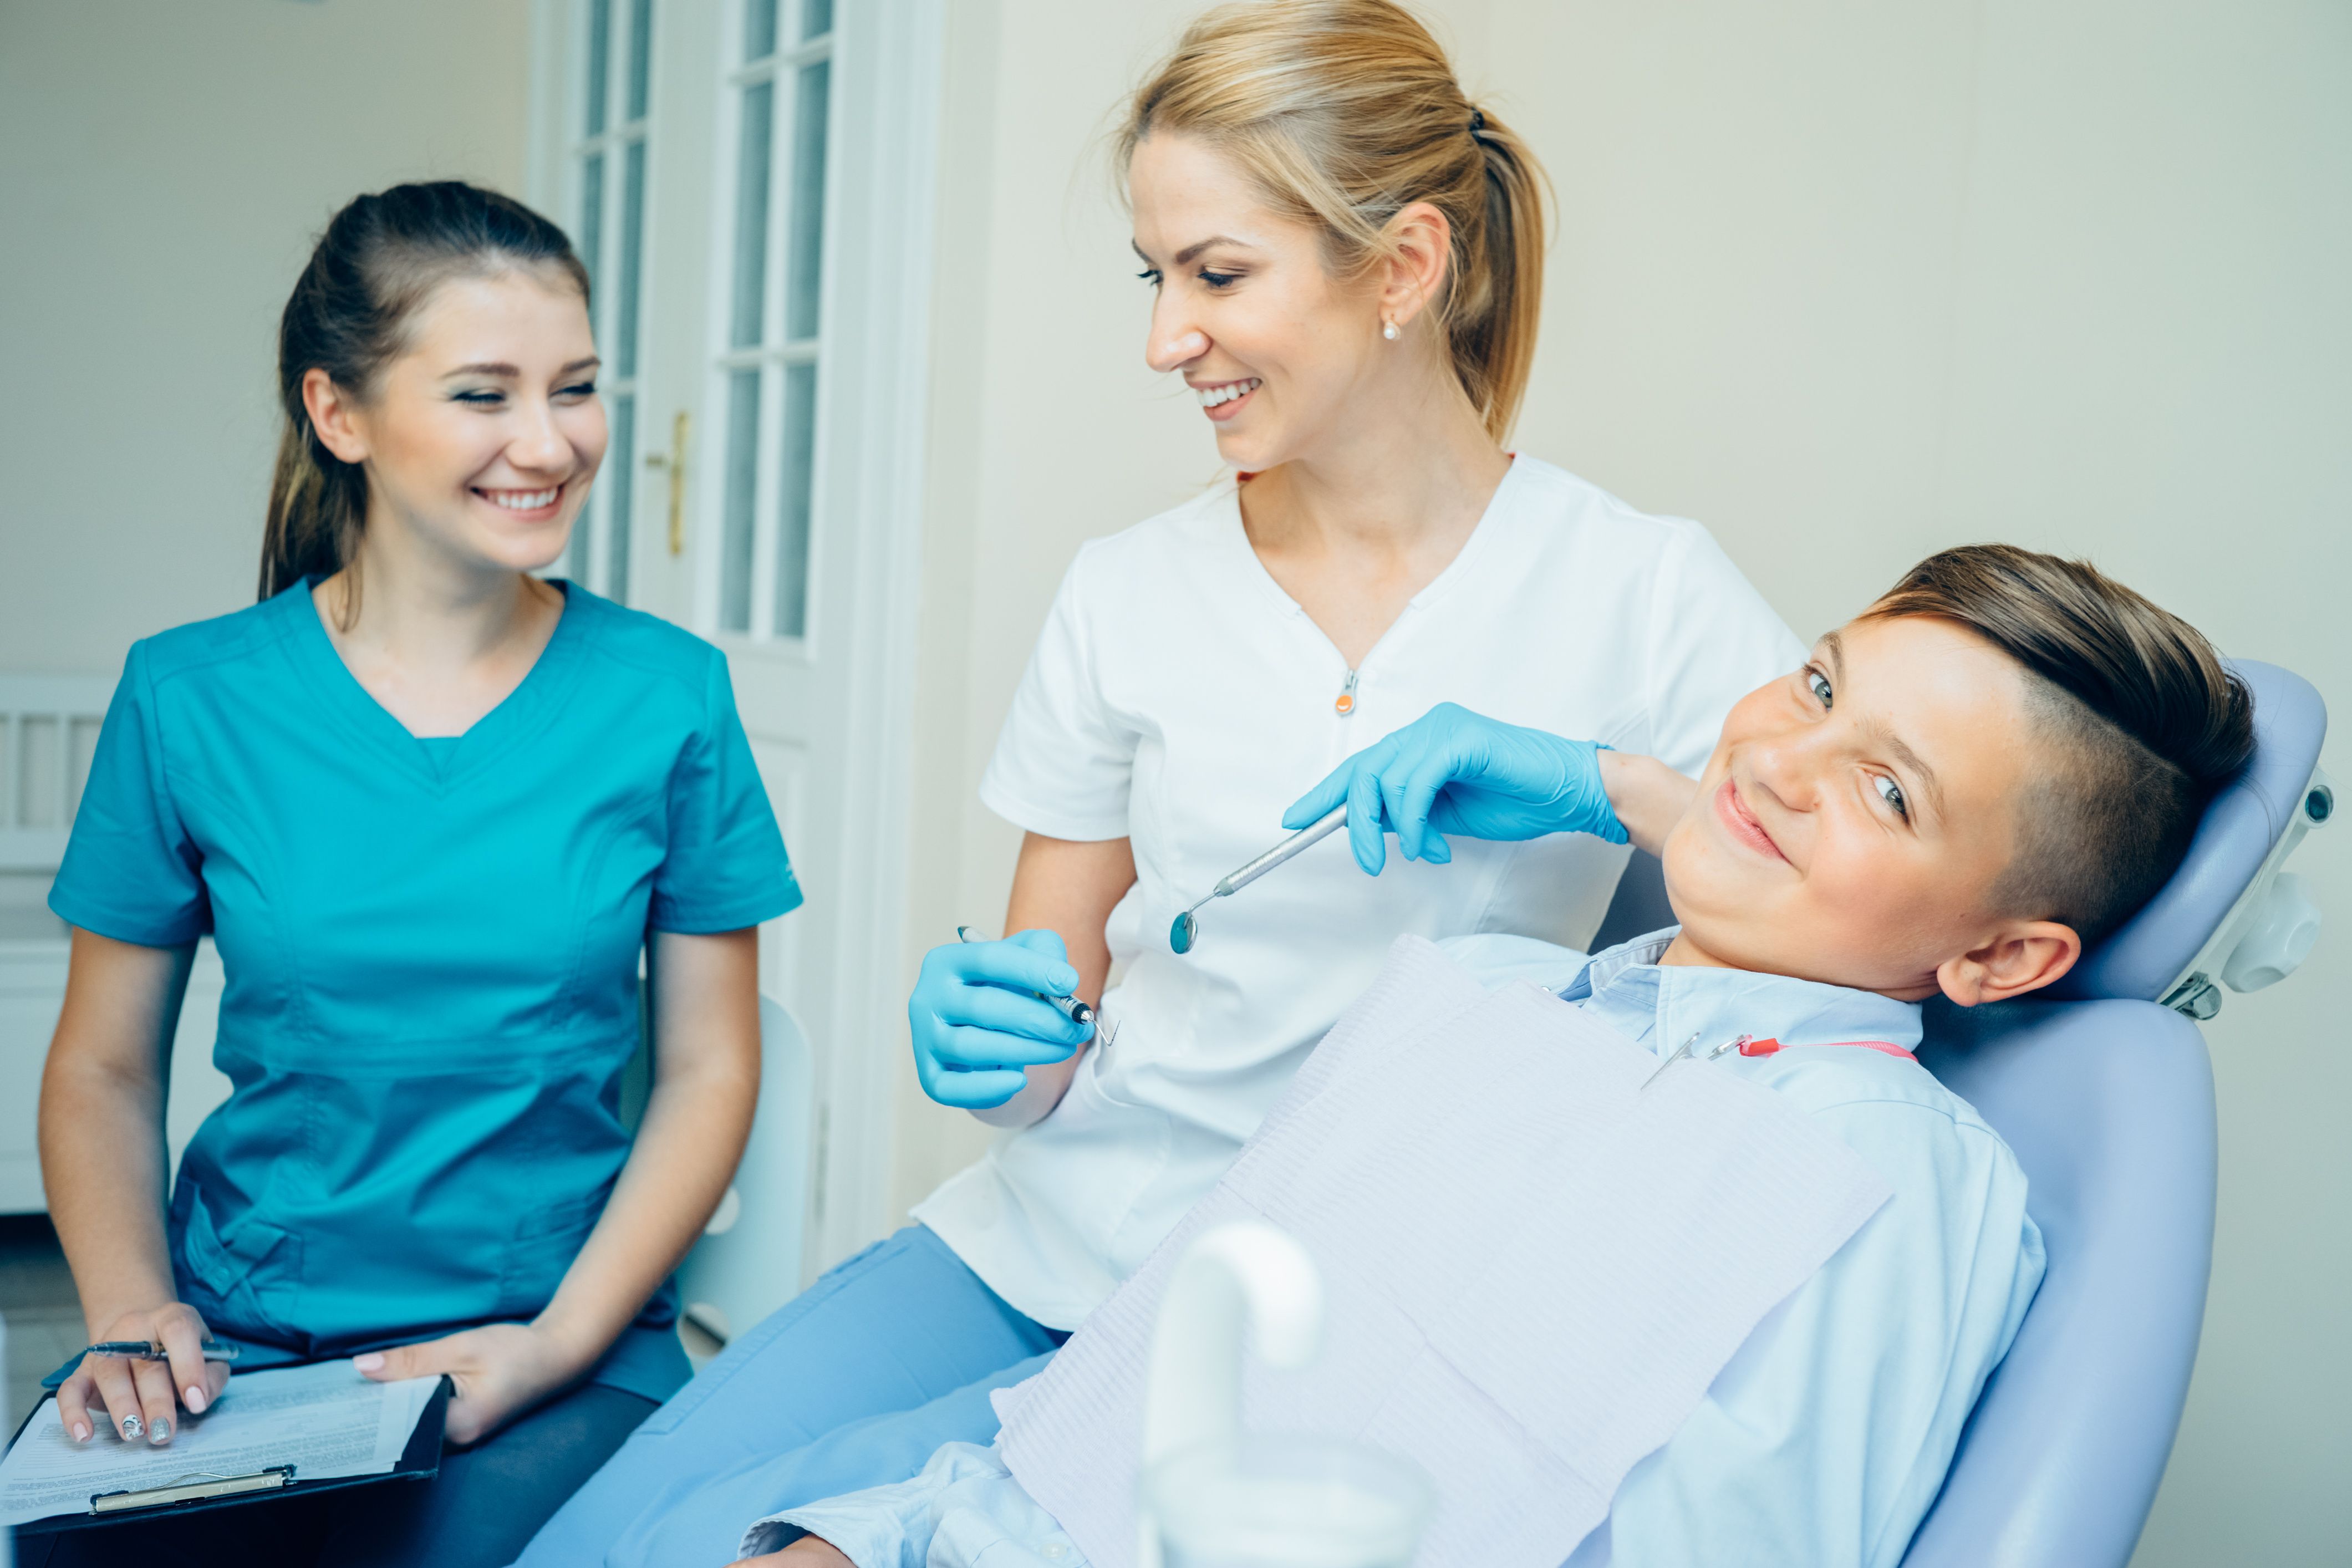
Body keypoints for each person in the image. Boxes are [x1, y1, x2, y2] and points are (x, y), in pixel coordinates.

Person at [516, 4, 1805, 1560]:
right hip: (1044, 1236)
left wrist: (1604, 784)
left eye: (1216, 275)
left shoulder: (1645, 593)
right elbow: (1050, 1021)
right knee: (604, 1540)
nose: (1161, 338)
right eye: (1155, 276)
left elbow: (1853, 909)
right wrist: (1001, 1045)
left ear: (1402, 267)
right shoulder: (1124, 591)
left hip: (1324, 1310)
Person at [724, 543, 2255, 1568]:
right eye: (1816, 682)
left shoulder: (1879, 1178)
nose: (1778, 761)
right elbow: (1135, 1404)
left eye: (1890, 791)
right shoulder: (1487, 993)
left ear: (2000, 959)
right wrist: (871, 1538)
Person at [28, 182, 799, 1568]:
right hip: (246, 1339)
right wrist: (134, 1311)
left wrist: (553, 1342)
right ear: (340, 414)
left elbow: (709, 1069)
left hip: (560, 1346)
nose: (549, 442)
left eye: (575, 388)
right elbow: (102, 1067)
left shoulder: (669, 696)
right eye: (484, 394)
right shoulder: (191, 696)